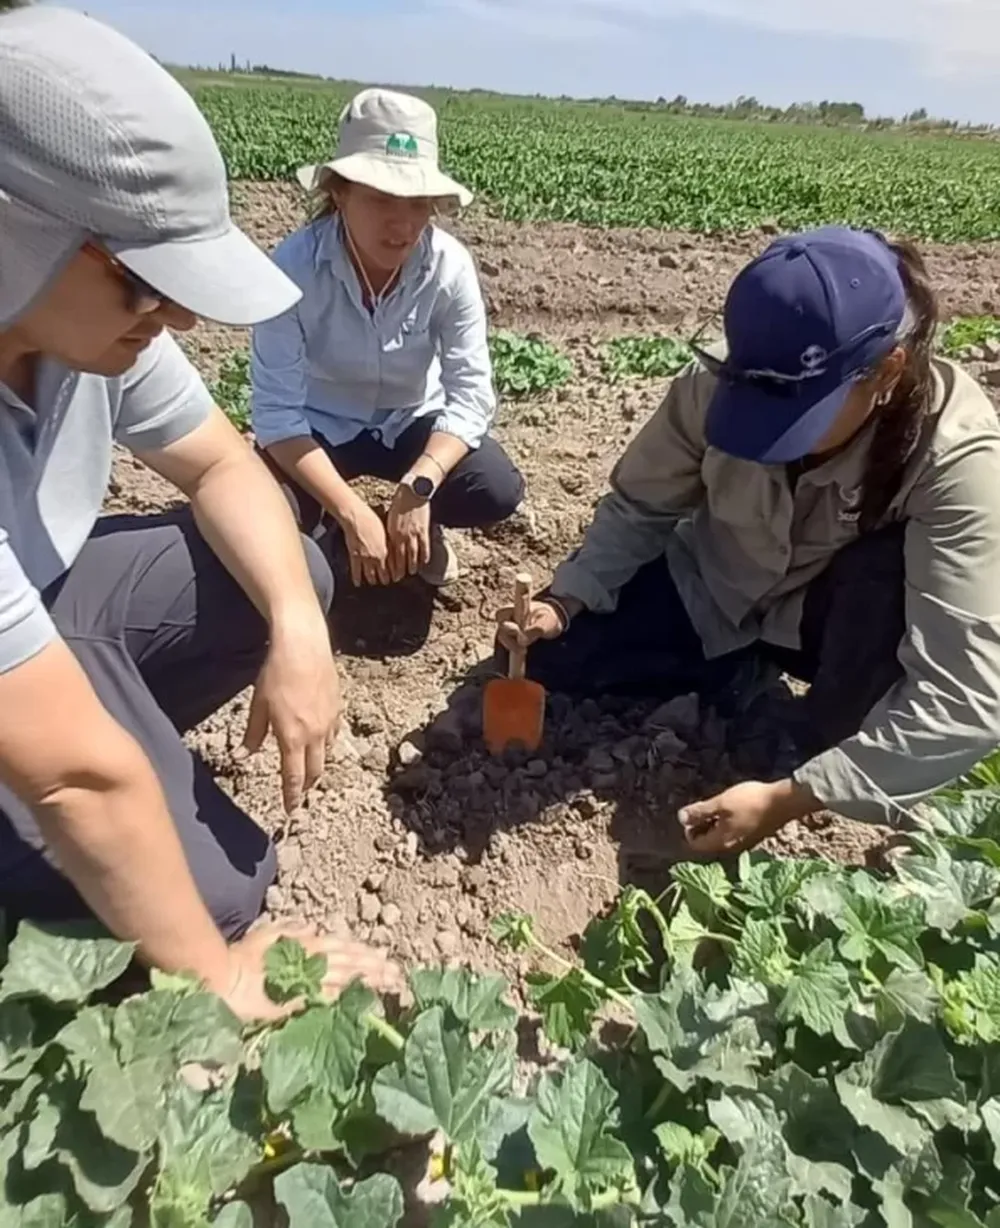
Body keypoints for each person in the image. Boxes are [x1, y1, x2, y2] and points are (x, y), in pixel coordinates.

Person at [0, 6, 396, 1020]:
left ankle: (109, 773)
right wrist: (218, 975)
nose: (174, 315)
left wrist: (301, 629)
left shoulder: (80, 331)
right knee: (218, 900)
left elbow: (223, 464)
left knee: (290, 574)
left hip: (38, 609)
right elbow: (77, 778)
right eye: (146, 283)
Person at [496, 225, 1000, 856]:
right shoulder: (720, 377)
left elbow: (966, 695)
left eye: (798, 413)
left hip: (835, 628)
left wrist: (790, 797)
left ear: (886, 371)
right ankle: (736, 677)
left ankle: (812, 733)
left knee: (881, 590)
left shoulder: (955, 456)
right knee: (555, 659)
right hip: (717, 586)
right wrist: (567, 598)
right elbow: (640, 505)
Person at [251, 87, 524, 590]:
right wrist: (351, 510)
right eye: (381, 199)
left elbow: (469, 396)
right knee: (261, 506)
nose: (402, 225)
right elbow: (277, 415)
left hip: (411, 421)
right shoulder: (292, 269)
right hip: (320, 427)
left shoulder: (449, 267)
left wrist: (419, 487)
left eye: (418, 204)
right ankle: (334, 529)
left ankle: (418, 522)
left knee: (493, 488)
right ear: (340, 193)